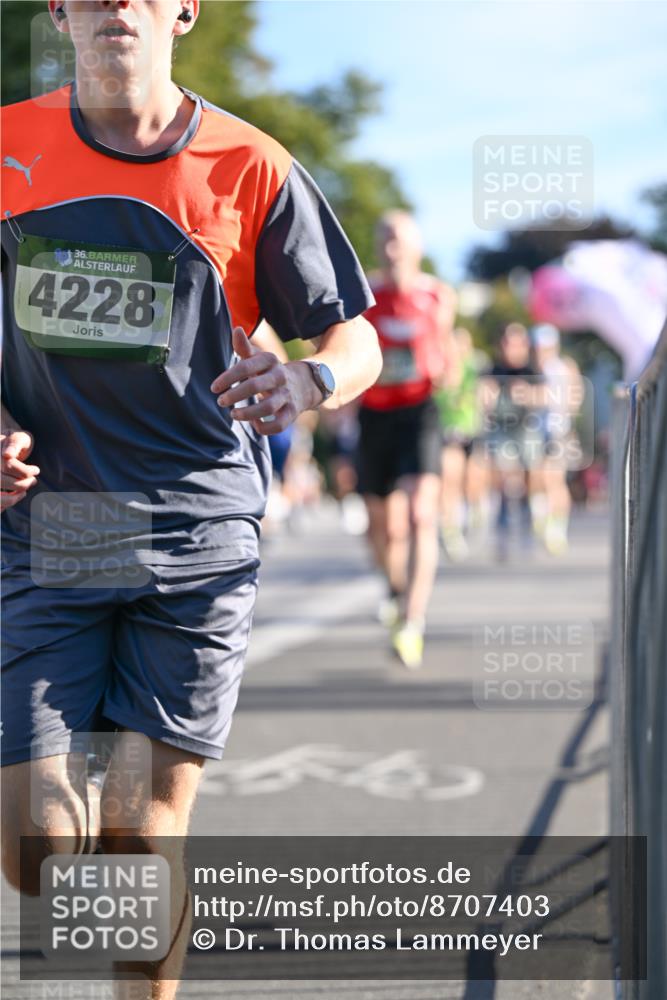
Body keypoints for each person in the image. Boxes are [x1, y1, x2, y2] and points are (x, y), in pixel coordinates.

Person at [0, 2, 381, 997]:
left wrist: (310, 381)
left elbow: (354, 335)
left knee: (139, 828)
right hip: (54, 526)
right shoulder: (9, 147)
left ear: (181, 11)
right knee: (35, 848)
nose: (116, 2)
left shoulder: (249, 166)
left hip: (198, 529)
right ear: (60, 12)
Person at [357, 211, 456, 669]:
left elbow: (447, 347)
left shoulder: (438, 294)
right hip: (375, 413)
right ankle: (395, 589)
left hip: (421, 410)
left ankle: (412, 622)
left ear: (416, 245)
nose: (392, 245)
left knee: (420, 515)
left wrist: (447, 371)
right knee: (382, 527)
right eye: (385, 237)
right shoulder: (363, 293)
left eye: (399, 237)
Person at [481, 323, 547, 560]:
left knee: (531, 476)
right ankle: (502, 528)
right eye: (508, 343)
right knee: (501, 476)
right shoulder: (493, 369)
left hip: (526, 428)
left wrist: (528, 395)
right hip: (502, 429)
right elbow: (483, 396)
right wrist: (489, 396)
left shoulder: (532, 370)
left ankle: (528, 524)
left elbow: (543, 397)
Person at [435, 326, 488, 561]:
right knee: (450, 478)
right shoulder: (439, 369)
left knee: (472, 481)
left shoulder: (474, 368)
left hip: (472, 429)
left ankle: (476, 511)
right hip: (448, 431)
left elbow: (486, 393)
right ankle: (450, 529)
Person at [531, 324, 584, 554]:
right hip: (536, 431)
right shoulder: (534, 368)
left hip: (558, 430)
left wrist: (567, 421)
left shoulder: (564, 367)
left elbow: (574, 397)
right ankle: (542, 517)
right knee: (538, 478)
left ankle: (557, 528)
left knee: (555, 479)